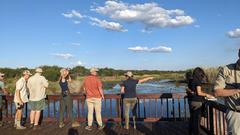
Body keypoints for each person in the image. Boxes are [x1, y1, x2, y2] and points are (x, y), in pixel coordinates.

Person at [214, 49, 240, 135]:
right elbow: (217, 92)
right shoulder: (226, 70)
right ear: (239, 53)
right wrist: (237, 90)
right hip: (235, 114)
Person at [188, 67, 215, 135]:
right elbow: (199, 93)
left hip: (191, 101)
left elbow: (190, 90)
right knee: (197, 120)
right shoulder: (198, 81)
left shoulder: (191, 80)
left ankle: (190, 132)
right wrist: (207, 95)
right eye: (201, 74)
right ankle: (196, 133)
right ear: (199, 74)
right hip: (197, 102)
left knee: (192, 118)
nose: (202, 76)